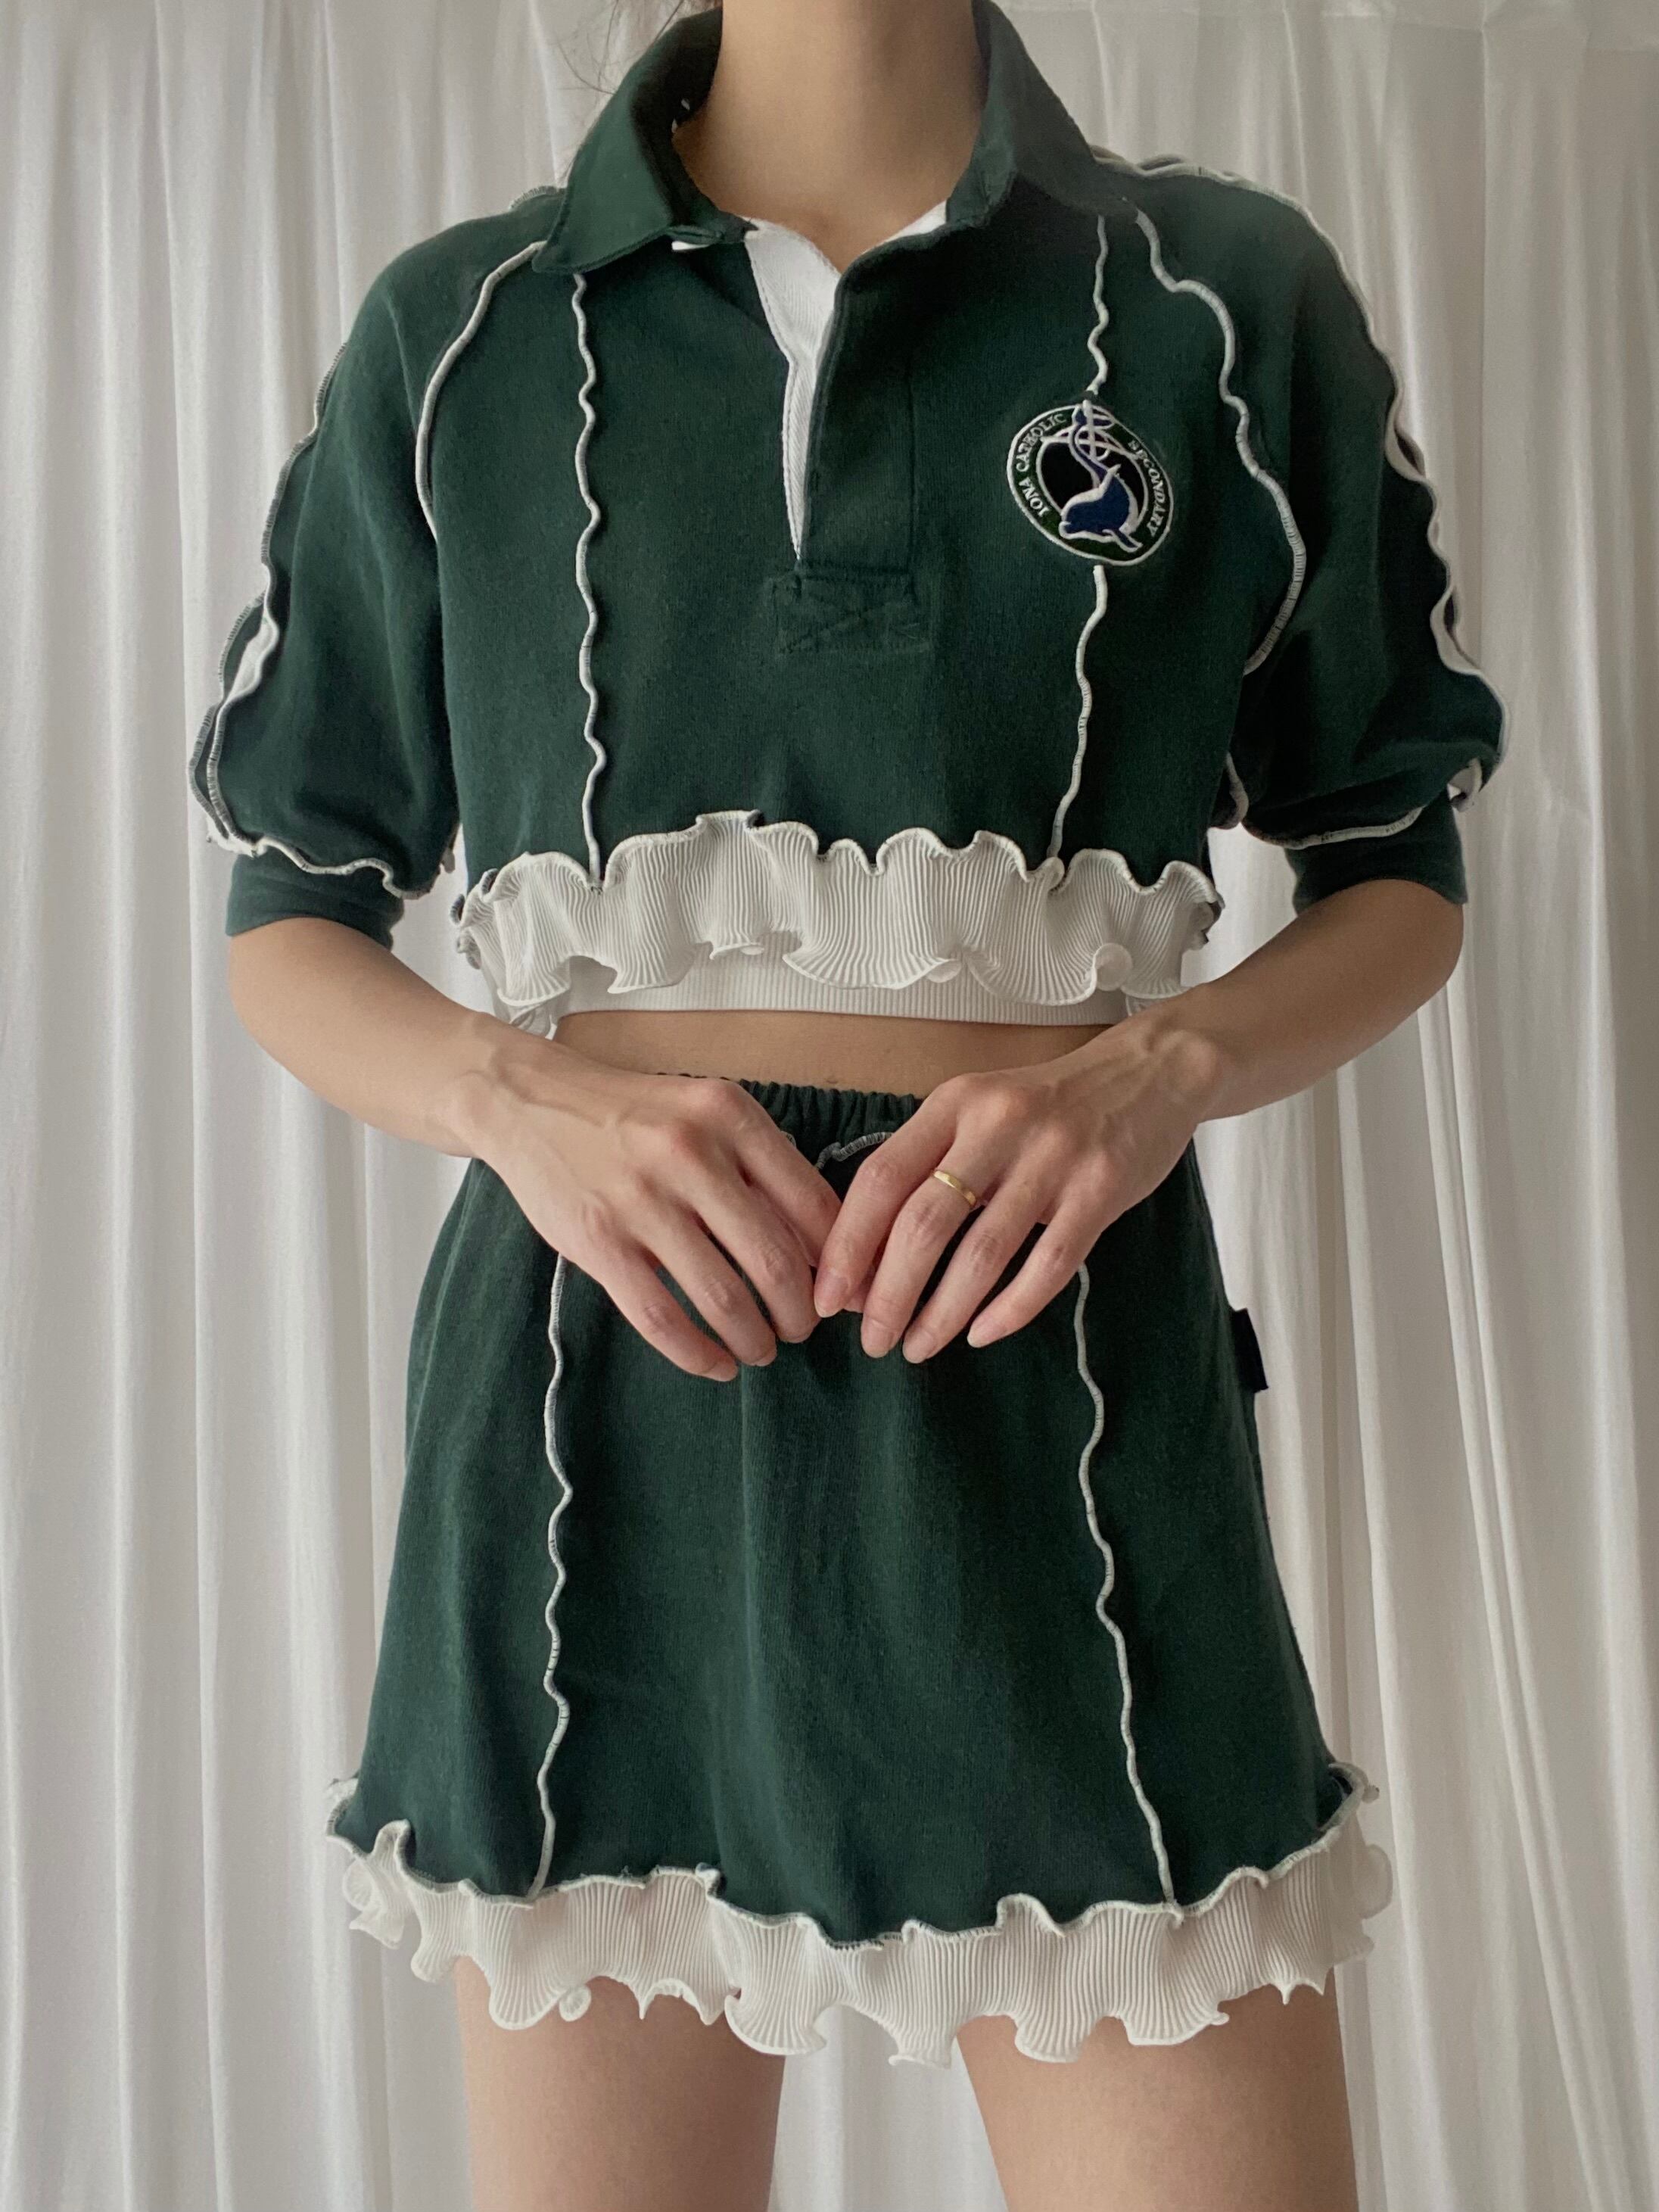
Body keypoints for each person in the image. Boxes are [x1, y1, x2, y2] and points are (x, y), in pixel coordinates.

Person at [187, 0, 1507, 2204]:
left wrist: (1156, 1071)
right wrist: (515, 1095)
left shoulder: (1217, 295)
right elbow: (287, 907)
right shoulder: (465, 336)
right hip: (590, 1438)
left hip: (1069, 1405)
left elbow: (1399, 865)